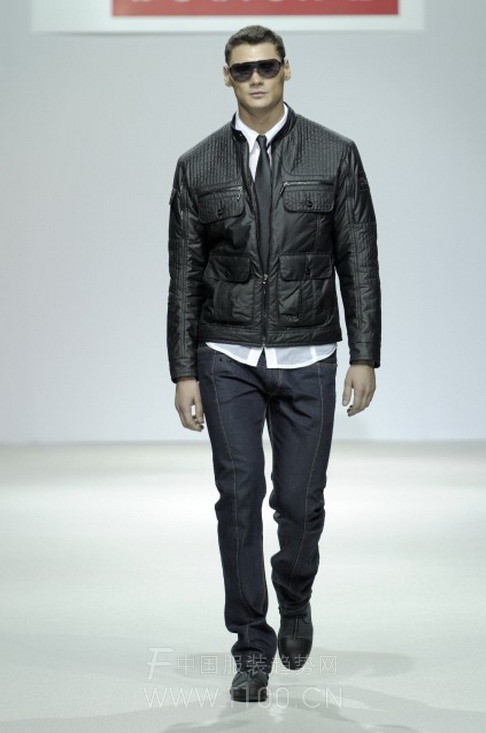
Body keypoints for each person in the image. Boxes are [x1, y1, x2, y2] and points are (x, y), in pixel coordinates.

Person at [166, 25, 381, 703]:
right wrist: (184, 370)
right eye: (242, 69)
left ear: (287, 69)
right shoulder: (198, 165)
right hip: (226, 354)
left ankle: (294, 595)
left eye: (266, 66)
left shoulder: (334, 154)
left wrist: (365, 354)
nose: (255, 78)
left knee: (299, 501)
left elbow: (359, 260)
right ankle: (251, 645)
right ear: (226, 77)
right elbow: (184, 276)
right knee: (236, 497)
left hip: (310, 351)